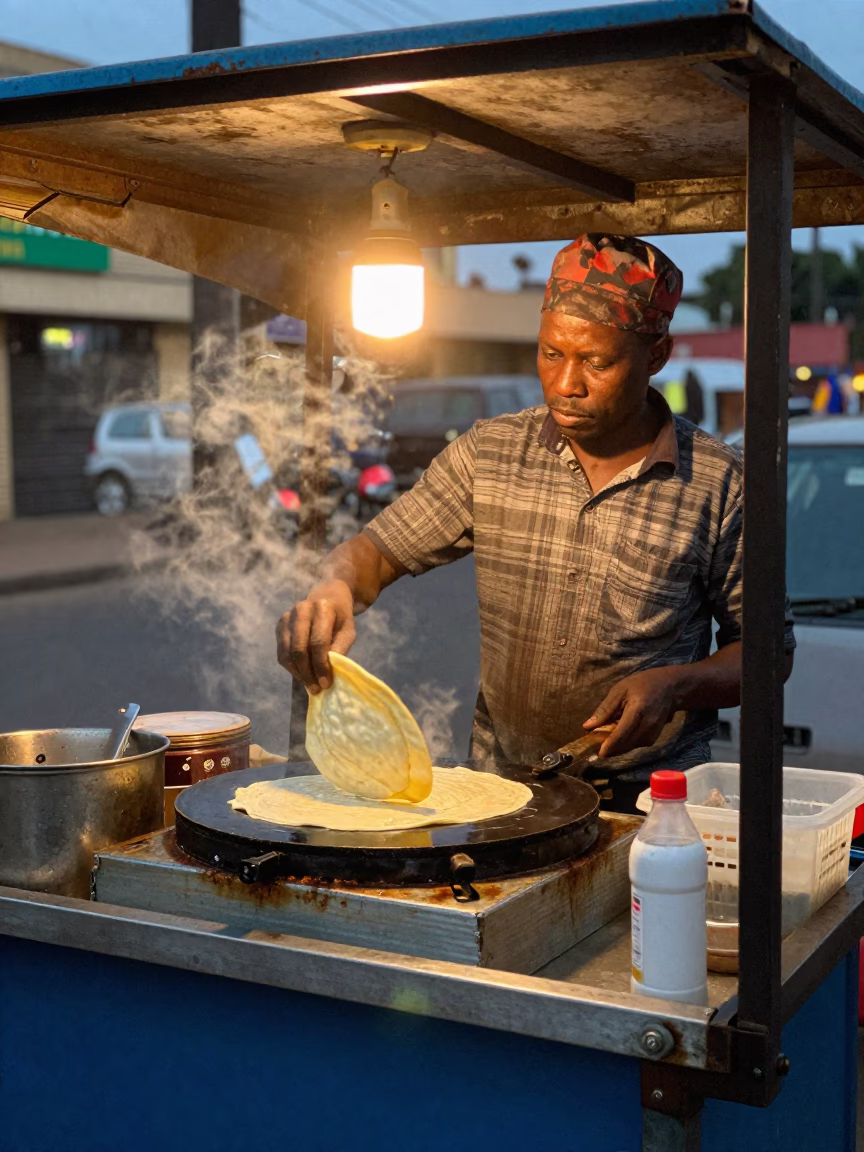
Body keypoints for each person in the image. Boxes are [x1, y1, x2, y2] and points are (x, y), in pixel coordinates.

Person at [277, 234, 795, 813]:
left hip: (650, 803)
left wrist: (677, 684)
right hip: (501, 795)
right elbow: (374, 552)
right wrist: (333, 587)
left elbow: (769, 654)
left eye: (597, 361)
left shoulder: (720, 484)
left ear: (656, 355)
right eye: (551, 354)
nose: (566, 384)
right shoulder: (490, 453)